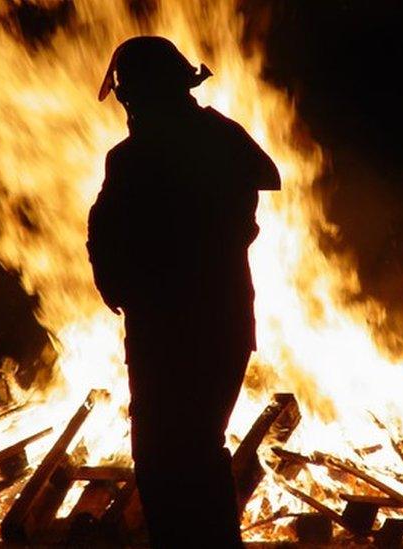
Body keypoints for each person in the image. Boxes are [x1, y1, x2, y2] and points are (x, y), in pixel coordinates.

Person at [86, 36, 280, 547]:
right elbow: (249, 209)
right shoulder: (223, 140)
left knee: (164, 462)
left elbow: (111, 238)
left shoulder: (133, 159)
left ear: (138, 96)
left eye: (131, 97)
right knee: (198, 451)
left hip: (168, 334)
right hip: (224, 328)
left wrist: (123, 284)